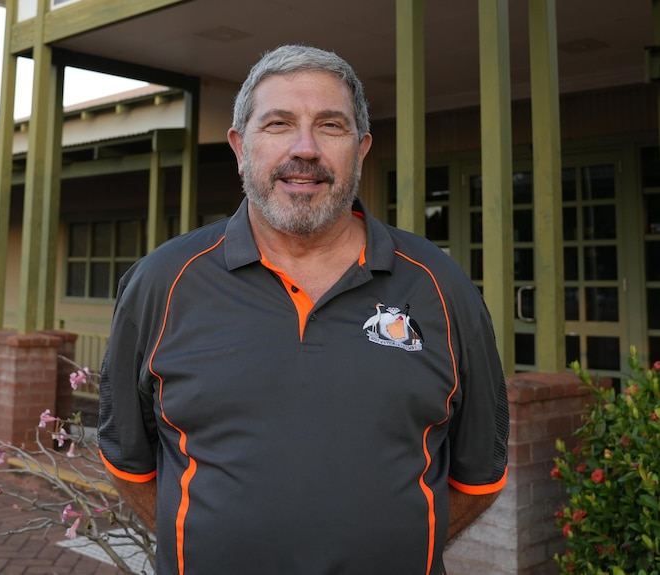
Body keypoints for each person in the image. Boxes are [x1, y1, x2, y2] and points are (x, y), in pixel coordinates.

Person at [98, 44, 509, 575]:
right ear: (241, 146)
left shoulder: (442, 286)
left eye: (330, 126)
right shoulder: (161, 283)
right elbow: (128, 460)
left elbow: (480, 476)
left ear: (360, 149)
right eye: (279, 123)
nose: (305, 148)